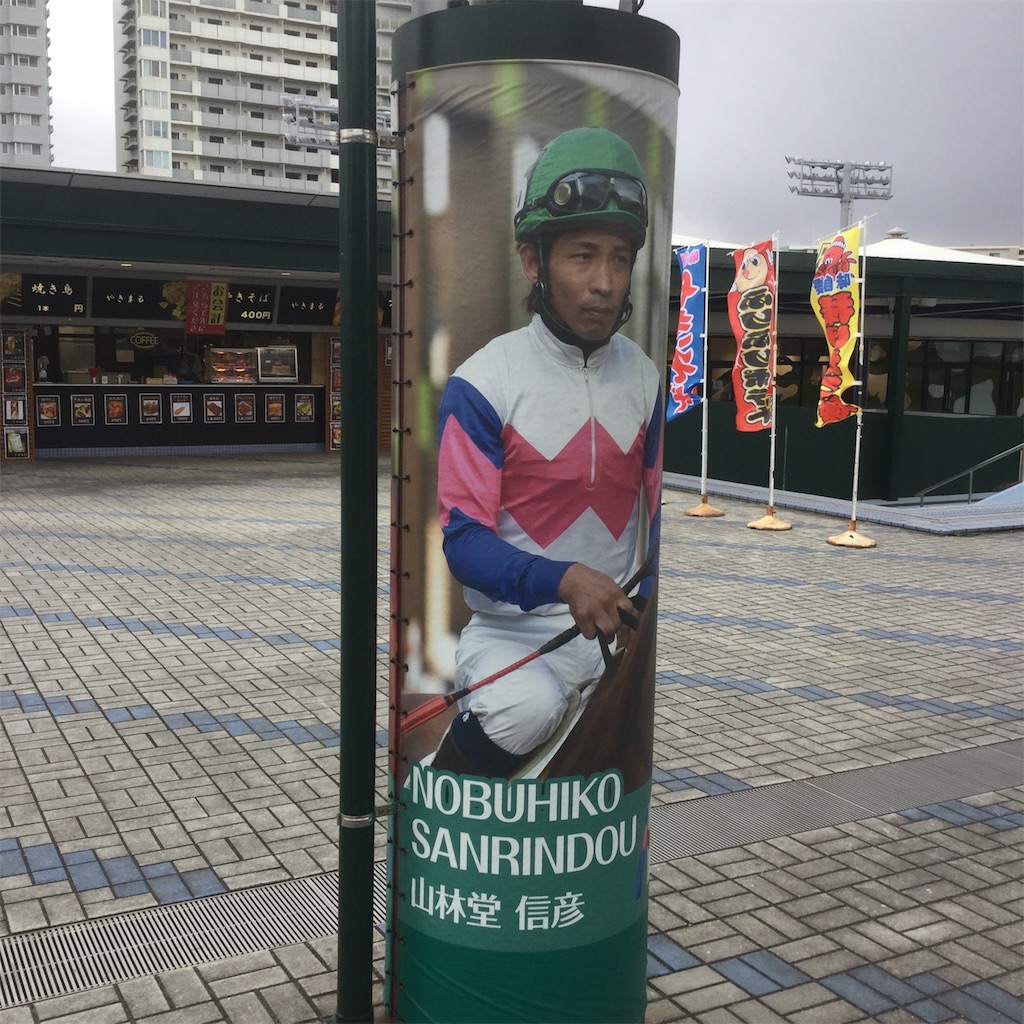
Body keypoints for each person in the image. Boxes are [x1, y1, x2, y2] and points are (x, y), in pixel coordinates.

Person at [432, 126, 662, 777]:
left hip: (612, 639)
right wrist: (562, 579)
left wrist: (639, 595)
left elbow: (657, 519)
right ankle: (439, 803)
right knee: (524, 711)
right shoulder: (483, 381)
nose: (605, 282)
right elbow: (464, 542)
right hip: (514, 638)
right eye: (582, 256)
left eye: (620, 258)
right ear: (534, 261)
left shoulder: (645, 378)